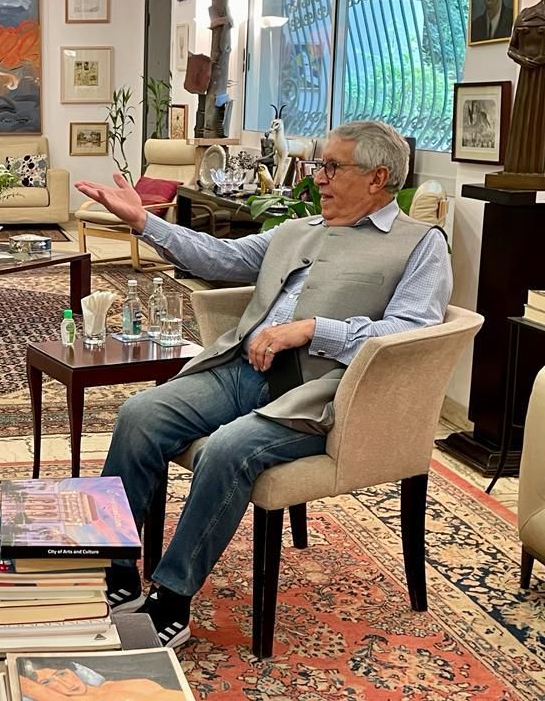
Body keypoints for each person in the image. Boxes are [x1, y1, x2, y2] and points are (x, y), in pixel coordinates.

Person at [73, 121, 451, 648]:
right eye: (320, 165)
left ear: (377, 177)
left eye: (331, 166)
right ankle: (113, 569)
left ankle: (173, 596)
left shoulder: (420, 244)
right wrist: (145, 223)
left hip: (322, 394)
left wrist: (315, 329)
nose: (318, 177)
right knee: (140, 414)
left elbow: (411, 329)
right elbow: (220, 257)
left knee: (226, 449)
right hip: (242, 370)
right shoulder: (298, 229)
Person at [502, 0, 545, 176]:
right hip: (528, 80)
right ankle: (521, 166)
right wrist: (525, 60)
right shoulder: (526, 14)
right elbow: (512, 48)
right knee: (525, 122)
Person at [17, 664, 186, 701]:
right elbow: (26, 685)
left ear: (72, 670)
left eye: (62, 674)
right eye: (47, 682)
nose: (66, 684)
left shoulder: (133, 684)